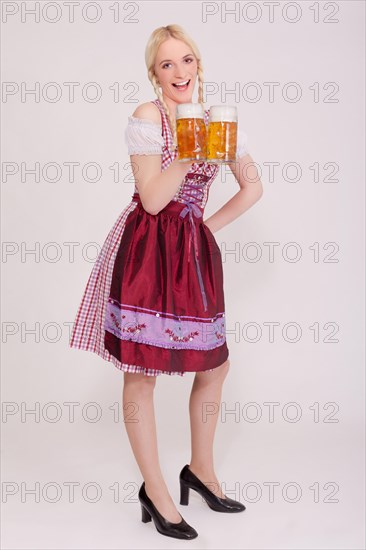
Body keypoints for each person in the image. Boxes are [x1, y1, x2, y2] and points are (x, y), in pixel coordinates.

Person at [70, 24, 263, 540]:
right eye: (167, 65)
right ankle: (154, 491)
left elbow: (252, 186)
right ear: (155, 75)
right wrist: (187, 149)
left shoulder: (219, 121)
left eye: (187, 61)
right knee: (142, 369)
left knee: (215, 364)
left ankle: (200, 470)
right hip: (148, 254)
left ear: (199, 65)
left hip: (192, 255)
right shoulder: (147, 118)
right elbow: (153, 200)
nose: (180, 72)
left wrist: (205, 230)